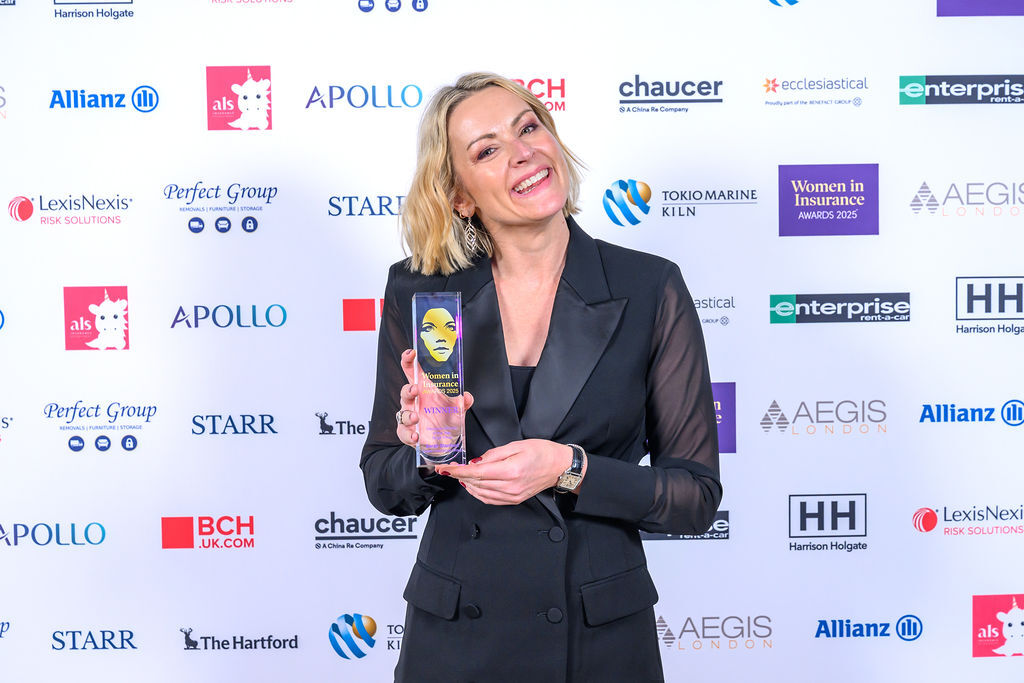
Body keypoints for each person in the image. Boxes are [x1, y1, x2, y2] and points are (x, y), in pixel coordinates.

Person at [360, 72, 722, 683]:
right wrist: (429, 450)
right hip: (454, 642)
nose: (522, 151)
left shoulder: (649, 286)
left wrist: (568, 469)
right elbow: (384, 483)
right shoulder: (420, 288)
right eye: (487, 150)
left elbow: (694, 498)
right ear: (460, 196)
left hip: (597, 644)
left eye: (528, 128)